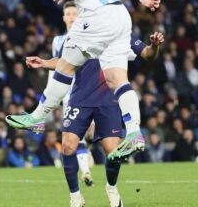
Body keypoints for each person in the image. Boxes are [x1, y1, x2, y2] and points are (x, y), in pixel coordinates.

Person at [6, 0, 161, 163]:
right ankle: (133, 133)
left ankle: (38, 116)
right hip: (119, 15)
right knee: (116, 80)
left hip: (97, 16)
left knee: (67, 65)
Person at [26, 28, 163, 207]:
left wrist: (154, 45)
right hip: (79, 99)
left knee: (113, 152)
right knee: (67, 146)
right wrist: (44, 63)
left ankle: (112, 188)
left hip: (109, 100)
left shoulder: (119, 31)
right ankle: (75, 197)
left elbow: (148, 54)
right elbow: (63, 61)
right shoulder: (78, 32)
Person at [49, 2, 94, 186]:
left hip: (89, 92)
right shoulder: (58, 41)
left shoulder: (89, 37)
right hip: (69, 94)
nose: (71, 16)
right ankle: (85, 171)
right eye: (68, 13)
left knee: (90, 134)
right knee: (76, 135)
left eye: (74, 13)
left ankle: (86, 153)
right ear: (64, 17)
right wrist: (52, 95)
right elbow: (55, 67)